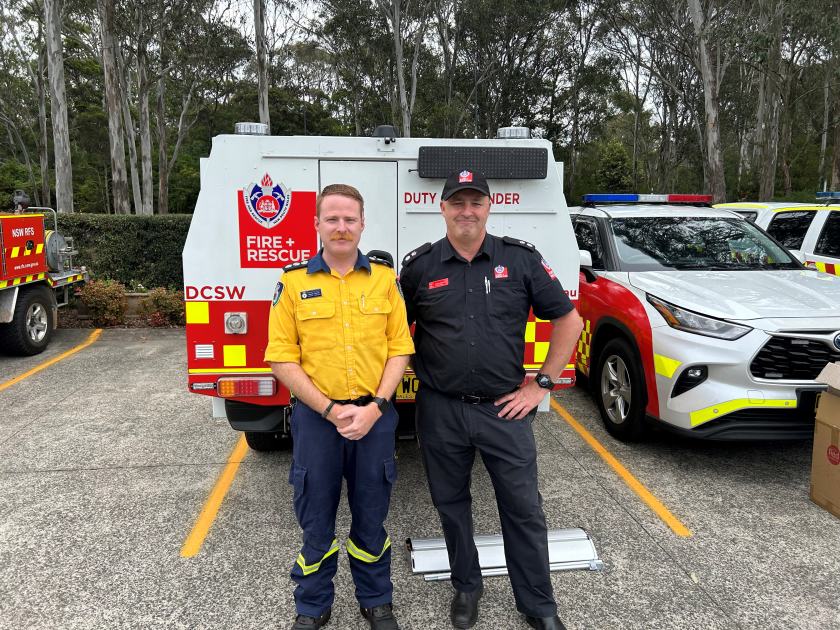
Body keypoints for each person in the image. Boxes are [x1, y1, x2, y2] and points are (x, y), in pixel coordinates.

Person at [398, 170, 584, 630]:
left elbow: (570, 321)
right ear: (441, 208)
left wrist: (540, 384)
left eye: (475, 202)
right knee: (451, 504)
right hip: (441, 408)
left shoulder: (519, 260)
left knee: (523, 508)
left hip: (506, 408)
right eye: (457, 202)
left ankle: (539, 605)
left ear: (488, 206)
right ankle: (467, 587)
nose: (466, 211)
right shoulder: (420, 267)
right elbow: (393, 336)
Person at [265, 183, 414, 630]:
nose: (342, 227)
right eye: (332, 218)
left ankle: (376, 600)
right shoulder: (293, 283)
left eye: (350, 219)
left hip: (375, 417)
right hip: (317, 420)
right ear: (316, 225)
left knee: (372, 515)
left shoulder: (386, 281)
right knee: (316, 517)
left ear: (363, 223)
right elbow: (281, 358)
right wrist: (330, 410)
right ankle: (312, 606)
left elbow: (400, 349)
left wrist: (375, 406)